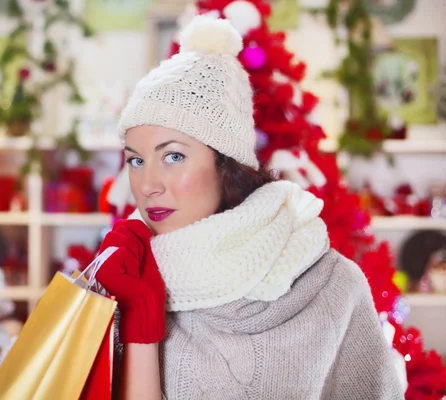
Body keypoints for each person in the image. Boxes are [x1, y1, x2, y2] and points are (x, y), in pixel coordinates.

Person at [94, 15, 404, 400]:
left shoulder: (334, 285)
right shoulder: (126, 277)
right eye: (136, 160)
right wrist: (138, 319)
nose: (147, 185)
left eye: (173, 156)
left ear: (225, 164)